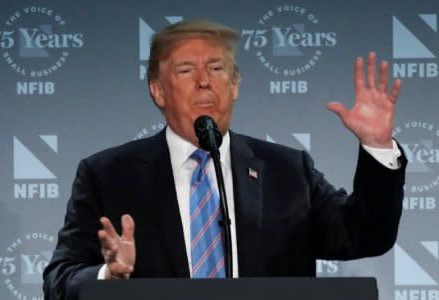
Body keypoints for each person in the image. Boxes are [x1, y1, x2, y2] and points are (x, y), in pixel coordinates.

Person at [43, 19, 407, 299]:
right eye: (186, 70)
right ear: (157, 90)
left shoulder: (287, 171)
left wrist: (377, 147)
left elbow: (365, 236)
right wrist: (109, 276)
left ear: (234, 85)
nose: (204, 82)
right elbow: (59, 281)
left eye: (217, 69)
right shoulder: (108, 176)